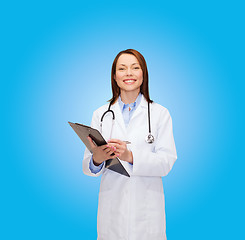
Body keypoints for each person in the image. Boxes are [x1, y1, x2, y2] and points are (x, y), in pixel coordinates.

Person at [83, 49, 177, 240]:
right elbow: (88, 166)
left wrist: (130, 156)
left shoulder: (160, 114)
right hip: (112, 213)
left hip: (147, 213)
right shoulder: (100, 115)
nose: (129, 73)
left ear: (144, 74)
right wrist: (97, 159)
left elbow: (166, 162)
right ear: (114, 76)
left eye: (135, 68)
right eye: (122, 68)